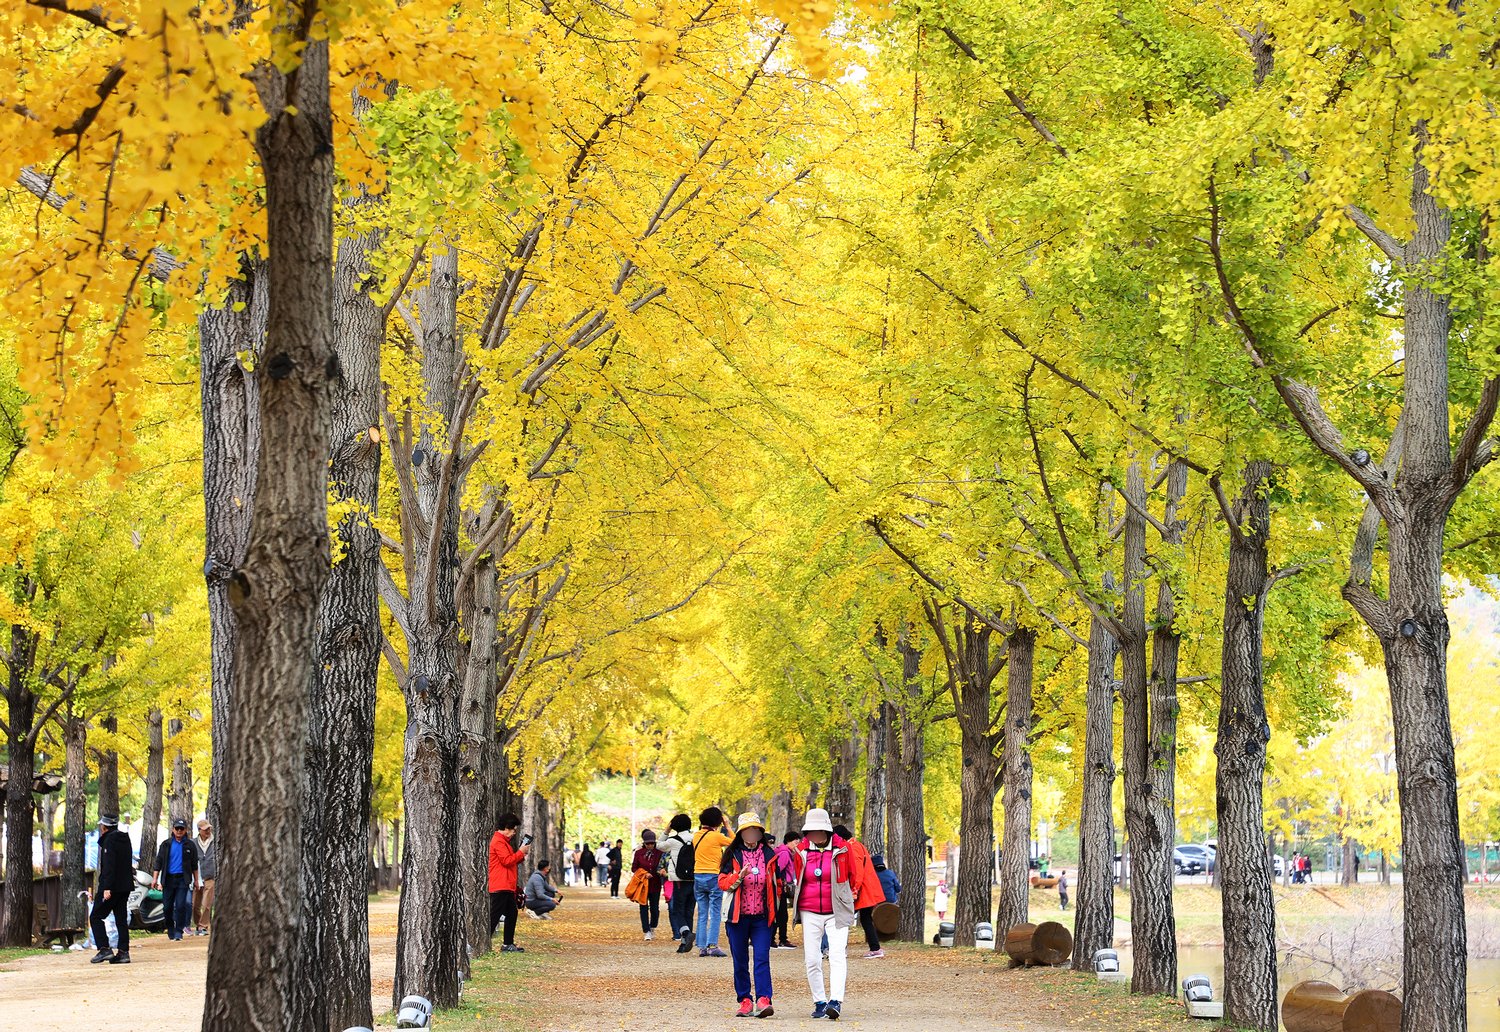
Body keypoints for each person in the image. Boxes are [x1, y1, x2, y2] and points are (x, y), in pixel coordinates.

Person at [792, 808, 855, 1020]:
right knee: (812, 959)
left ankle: (836, 1001)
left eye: (819, 831)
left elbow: (853, 876)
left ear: (826, 830)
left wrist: (845, 897)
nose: (815, 835)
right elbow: (798, 875)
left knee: (837, 955)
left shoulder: (843, 848)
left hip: (836, 909)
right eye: (811, 832)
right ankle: (819, 1001)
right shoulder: (801, 851)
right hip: (809, 910)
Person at [718, 813, 779, 1017]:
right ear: (741, 833)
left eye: (755, 830)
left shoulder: (770, 855)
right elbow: (723, 883)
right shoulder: (732, 854)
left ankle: (764, 999)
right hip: (738, 917)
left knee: (762, 958)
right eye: (747, 831)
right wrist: (739, 876)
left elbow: (776, 884)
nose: (751, 834)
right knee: (740, 960)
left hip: (762, 917)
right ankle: (745, 1000)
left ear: (760, 833)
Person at [832, 824, 886, 960]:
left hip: (863, 890)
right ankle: (875, 948)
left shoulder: (852, 847)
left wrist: (853, 889)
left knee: (844, 917)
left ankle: (840, 948)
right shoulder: (857, 844)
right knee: (865, 919)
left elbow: (857, 871)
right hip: (867, 889)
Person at [90, 814, 133, 965]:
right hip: (125, 886)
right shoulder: (125, 839)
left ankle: (104, 948)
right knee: (121, 919)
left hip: (112, 886)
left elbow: (109, 865)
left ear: (104, 827)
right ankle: (123, 952)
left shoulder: (109, 840)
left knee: (95, 916)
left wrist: (107, 887)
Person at [692, 806, 733, 958]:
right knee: (715, 912)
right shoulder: (716, 837)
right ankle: (712, 945)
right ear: (717, 821)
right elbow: (735, 842)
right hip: (713, 876)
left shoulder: (696, 835)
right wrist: (727, 826)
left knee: (702, 912)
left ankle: (702, 946)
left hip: (698, 875)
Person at [152, 817, 201, 941]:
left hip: (182, 879)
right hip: (168, 879)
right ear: (173, 829)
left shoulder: (190, 845)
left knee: (180, 905)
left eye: (181, 828)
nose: (179, 831)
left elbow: (194, 865)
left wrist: (196, 880)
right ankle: (170, 928)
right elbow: (158, 862)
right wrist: (155, 879)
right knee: (167, 907)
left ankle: (179, 930)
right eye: (177, 828)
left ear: (185, 830)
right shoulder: (166, 844)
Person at [488, 813, 531, 952]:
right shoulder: (498, 842)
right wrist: (520, 852)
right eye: (513, 830)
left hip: (507, 885)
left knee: (512, 913)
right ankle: (483, 942)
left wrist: (521, 853)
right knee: (494, 915)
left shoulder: (504, 843)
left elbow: (511, 860)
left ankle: (508, 943)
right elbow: (506, 861)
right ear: (506, 828)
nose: (513, 833)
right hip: (500, 885)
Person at [659, 813, 697, 951]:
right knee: (689, 910)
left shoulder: (673, 840)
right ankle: (685, 943)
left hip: (679, 879)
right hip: (694, 878)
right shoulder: (696, 838)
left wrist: (666, 830)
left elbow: (659, 846)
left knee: (677, 910)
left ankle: (686, 934)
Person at [632, 829, 665, 940]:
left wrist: (660, 872)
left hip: (655, 884)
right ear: (644, 843)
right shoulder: (639, 853)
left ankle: (653, 926)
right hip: (643, 885)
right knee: (643, 907)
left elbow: (663, 866)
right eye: (648, 843)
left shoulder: (659, 853)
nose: (650, 845)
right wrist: (644, 873)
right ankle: (646, 930)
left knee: (655, 908)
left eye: (652, 843)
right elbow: (634, 868)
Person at [772, 831, 799, 949]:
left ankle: (778, 938)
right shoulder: (784, 853)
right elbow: (778, 869)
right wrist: (781, 881)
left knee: (781, 913)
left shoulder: (785, 852)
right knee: (781, 913)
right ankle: (781, 939)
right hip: (780, 887)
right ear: (788, 841)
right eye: (795, 841)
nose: (797, 844)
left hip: (780, 886)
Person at [193, 819, 216, 936]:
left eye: (209, 828)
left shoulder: (215, 841)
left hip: (210, 876)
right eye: (205, 829)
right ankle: (198, 924)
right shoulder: (193, 842)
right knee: (194, 904)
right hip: (196, 877)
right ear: (199, 830)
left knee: (207, 903)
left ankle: (203, 926)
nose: (208, 831)